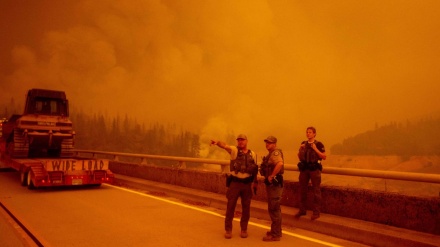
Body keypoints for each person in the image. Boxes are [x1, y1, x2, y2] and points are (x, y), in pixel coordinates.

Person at [210, 134, 258, 239]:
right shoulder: (234, 151)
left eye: (242, 140)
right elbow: (225, 146)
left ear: (247, 141)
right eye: (239, 140)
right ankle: (228, 229)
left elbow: (254, 169)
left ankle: (244, 229)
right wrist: (218, 142)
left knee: (246, 208)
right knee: (230, 206)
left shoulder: (253, 154)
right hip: (235, 184)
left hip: (247, 184)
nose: (240, 142)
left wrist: (255, 182)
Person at [295, 126, 326, 220]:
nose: (308, 134)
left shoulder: (319, 144)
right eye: (307, 132)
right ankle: (302, 210)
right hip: (304, 169)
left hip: (314, 170)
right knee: (302, 190)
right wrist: (300, 148)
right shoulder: (303, 144)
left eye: (310, 132)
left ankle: (316, 212)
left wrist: (315, 149)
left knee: (316, 191)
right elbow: (300, 157)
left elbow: (324, 156)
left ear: (314, 134)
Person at [260, 136, 284, 241]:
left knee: (274, 209)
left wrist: (271, 176)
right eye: (266, 142)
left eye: (269, 143)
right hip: (272, 186)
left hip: (274, 185)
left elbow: (280, 163)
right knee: (273, 208)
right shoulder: (270, 154)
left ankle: (275, 234)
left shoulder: (275, 153)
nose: (267, 144)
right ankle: (276, 230)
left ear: (274, 144)